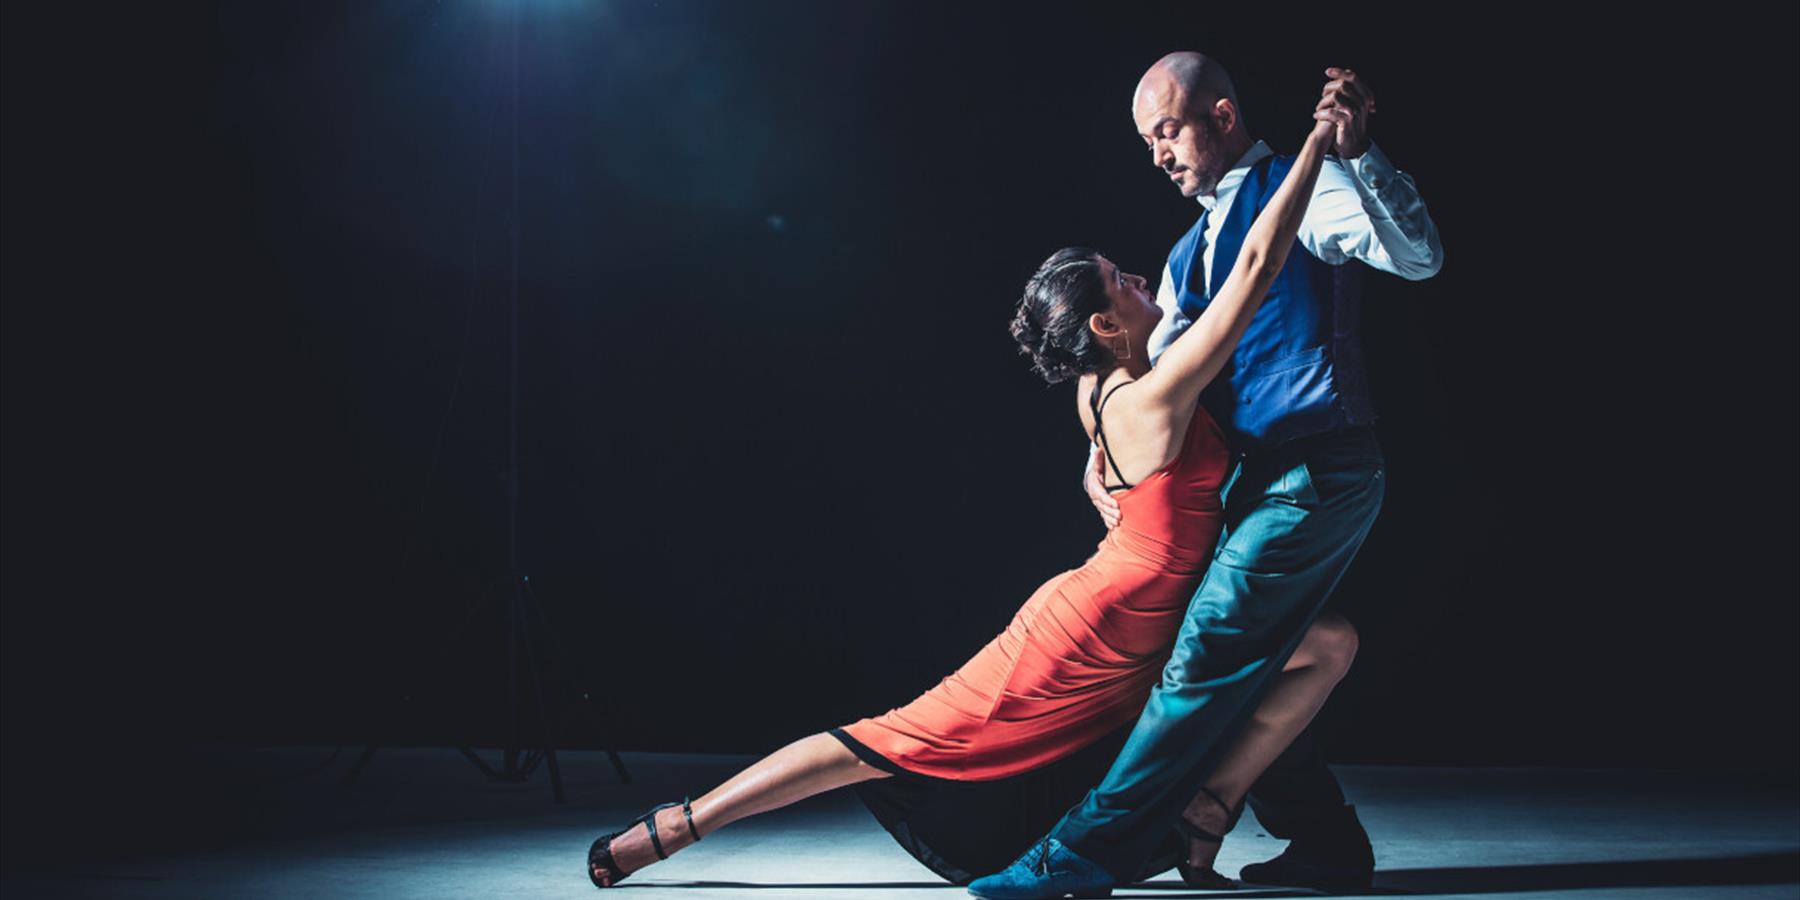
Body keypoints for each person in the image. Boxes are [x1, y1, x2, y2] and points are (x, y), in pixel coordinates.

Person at [585, 100, 1352, 892]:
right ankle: (678, 826)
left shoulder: (1102, 383)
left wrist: (1097, 474)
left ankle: (1207, 813)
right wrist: (1314, 148)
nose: (1142, 278)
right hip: (1092, 632)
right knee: (888, 742)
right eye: (1125, 282)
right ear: (1104, 322)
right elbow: (1258, 266)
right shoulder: (1156, 399)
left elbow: (1110, 460)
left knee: (1327, 645)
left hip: (1157, 611)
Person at [968, 54, 1443, 899]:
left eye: (1167, 131)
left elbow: (1417, 258)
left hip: (1317, 465)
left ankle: (1082, 854)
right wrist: (1099, 449)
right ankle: (1324, 840)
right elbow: (1154, 371)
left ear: (1222, 117)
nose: (1158, 154)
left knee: (1206, 658)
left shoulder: (1312, 190)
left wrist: (1362, 158)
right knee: (1264, 655)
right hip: (1249, 487)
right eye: (1146, 140)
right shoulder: (1186, 254)